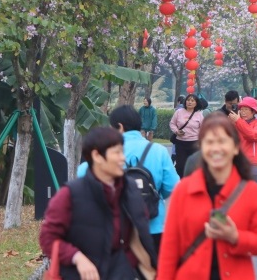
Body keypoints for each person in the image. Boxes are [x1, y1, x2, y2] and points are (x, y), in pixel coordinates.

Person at [156, 114, 257, 280]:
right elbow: (169, 249)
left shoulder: (251, 192)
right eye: (210, 142)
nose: (216, 148)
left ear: (235, 147)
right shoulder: (183, 190)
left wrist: (235, 237)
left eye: (222, 141)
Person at [40, 126, 157, 280]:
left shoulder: (130, 189)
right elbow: (48, 238)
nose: (123, 158)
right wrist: (77, 257)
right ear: (97, 156)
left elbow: (139, 234)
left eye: (122, 152)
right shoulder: (70, 194)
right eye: (117, 153)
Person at [78, 106, 178, 256]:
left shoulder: (106, 152)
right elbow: (173, 188)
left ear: (119, 127)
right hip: (153, 228)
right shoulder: (159, 151)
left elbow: (82, 176)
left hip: (112, 229)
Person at [230, 96, 257, 183]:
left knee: (252, 188)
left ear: (253, 111)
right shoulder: (236, 123)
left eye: (246, 109)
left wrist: (238, 121)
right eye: (241, 109)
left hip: (253, 163)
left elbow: (252, 136)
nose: (243, 112)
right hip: (238, 162)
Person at [169, 93, 204, 178]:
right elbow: (172, 123)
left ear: (196, 103)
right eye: (188, 100)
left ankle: (192, 181)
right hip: (180, 143)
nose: (190, 102)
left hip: (194, 143)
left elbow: (203, 128)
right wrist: (177, 131)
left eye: (192, 100)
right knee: (180, 166)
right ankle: (182, 181)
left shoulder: (199, 114)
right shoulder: (178, 112)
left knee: (194, 166)